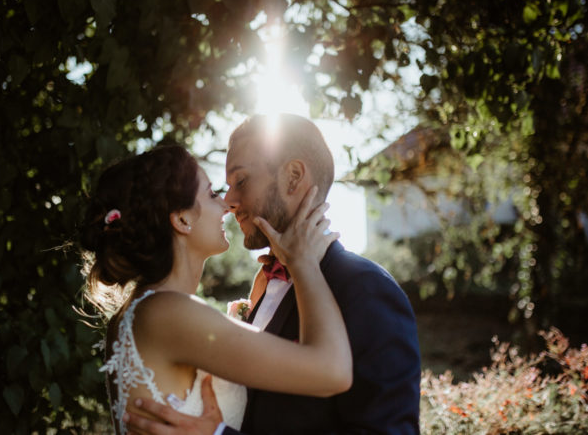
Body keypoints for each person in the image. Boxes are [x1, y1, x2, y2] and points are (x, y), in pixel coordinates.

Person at [125, 114, 421, 434]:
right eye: (222, 189)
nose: (229, 202)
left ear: (293, 177)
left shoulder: (364, 289)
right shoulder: (266, 285)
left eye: (241, 181)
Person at [80, 144, 352, 435]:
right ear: (182, 219)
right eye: (211, 194)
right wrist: (304, 263)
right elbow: (332, 372)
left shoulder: (144, 311)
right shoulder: (168, 313)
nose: (227, 205)